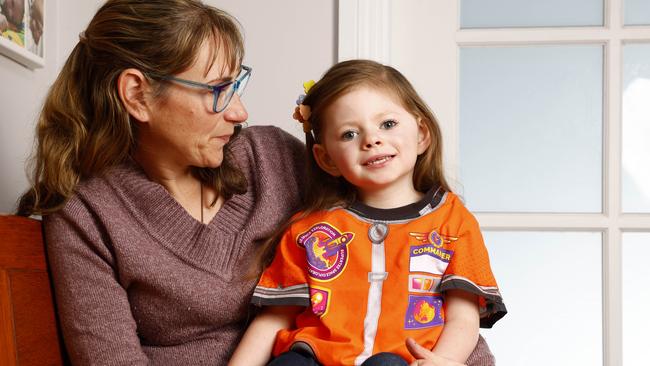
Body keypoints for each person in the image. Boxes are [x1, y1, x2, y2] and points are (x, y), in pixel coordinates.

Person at [16, 0, 307, 364]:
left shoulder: (275, 157)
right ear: (137, 95)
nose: (239, 112)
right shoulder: (86, 213)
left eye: (236, 85)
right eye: (217, 90)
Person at [229, 60, 507, 366]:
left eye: (387, 124)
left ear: (421, 134)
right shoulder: (309, 229)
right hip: (314, 357)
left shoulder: (453, 221)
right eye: (349, 134)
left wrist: (443, 360)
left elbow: (463, 318)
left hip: (399, 359)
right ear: (326, 159)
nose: (371, 140)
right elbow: (273, 320)